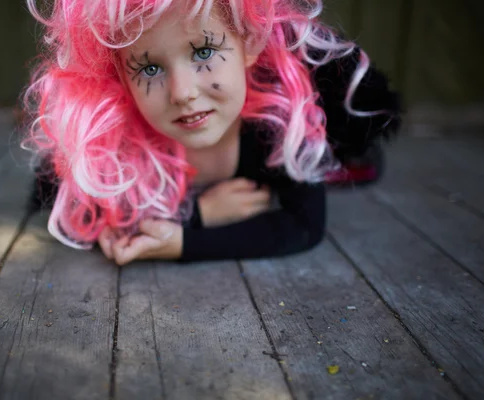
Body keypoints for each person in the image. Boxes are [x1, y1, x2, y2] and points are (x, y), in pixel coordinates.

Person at [22, 0, 401, 265]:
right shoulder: (118, 147)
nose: (183, 93)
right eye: (149, 69)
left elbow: (304, 226)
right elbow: (64, 203)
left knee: (343, 162)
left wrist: (184, 242)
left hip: (299, 136)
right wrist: (197, 215)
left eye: (204, 51)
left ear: (249, 43)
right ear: (121, 77)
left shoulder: (277, 127)